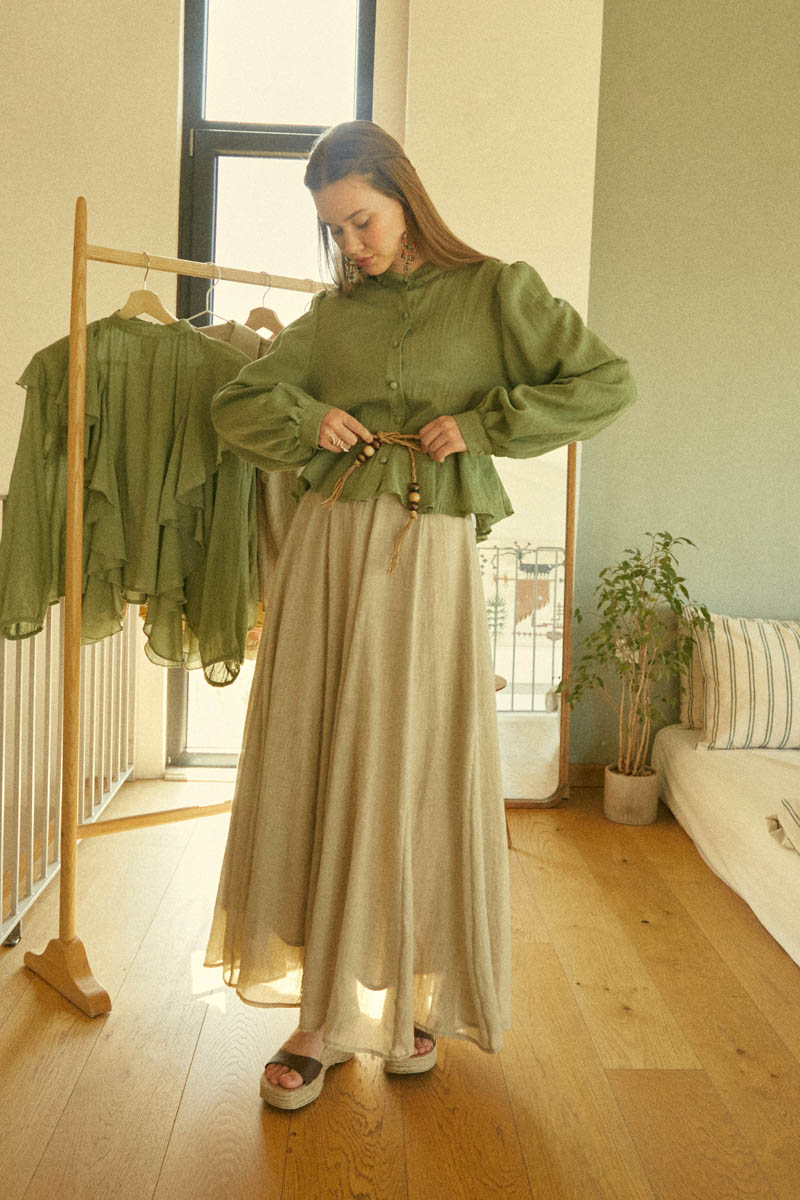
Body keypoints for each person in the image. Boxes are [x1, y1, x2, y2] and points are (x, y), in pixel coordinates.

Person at [204, 121, 636, 1111]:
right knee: (319, 752)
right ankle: (319, 1019)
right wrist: (309, 417)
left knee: (420, 760)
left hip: (428, 549)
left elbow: (605, 382)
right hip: (327, 552)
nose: (350, 244)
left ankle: (409, 996)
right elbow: (237, 403)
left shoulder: (496, 293)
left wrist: (484, 426)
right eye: (334, 230)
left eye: (361, 220)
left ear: (405, 195)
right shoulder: (330, 318)